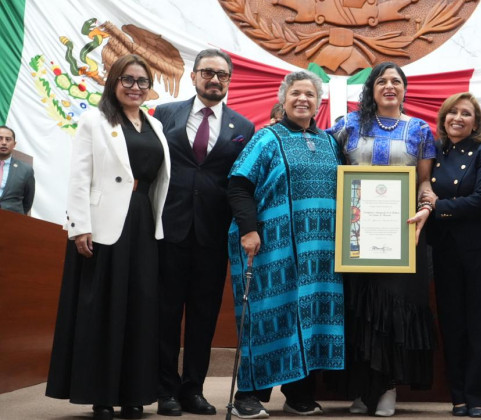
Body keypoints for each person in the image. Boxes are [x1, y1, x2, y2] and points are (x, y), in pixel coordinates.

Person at [46, 54, 170, 420]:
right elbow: (78, 177)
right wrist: (79, 226)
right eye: (128, 80)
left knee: (140, 308)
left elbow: (159, 179)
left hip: (143, 222)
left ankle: (134, 395)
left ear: (150, 89)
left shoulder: (155, 125)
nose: (135, 87)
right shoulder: (94, 120)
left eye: (142, 81)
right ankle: (101, 395)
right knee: (102, 309)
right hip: (101, 226)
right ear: (114, 82)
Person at [226, 70, 344, 419]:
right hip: (269, 249)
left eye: (309, 94)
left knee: (309, 318)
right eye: (296, 93)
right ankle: (250, 394)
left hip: (319, 254)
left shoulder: (329, 142)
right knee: (266, 317)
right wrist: (249, 230)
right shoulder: (266, 139)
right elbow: (238, 185)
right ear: (283, 98)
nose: (302, 99)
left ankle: (298, 394)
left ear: (319, 102)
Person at [328, 61, 437, 417]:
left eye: (396, 81)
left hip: (402, 235)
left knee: (392, 313)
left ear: (404, 89)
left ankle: (388, 389)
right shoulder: (345, 126)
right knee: (359, 309)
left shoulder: (420, 130)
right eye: (382, 81)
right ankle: (361, 390)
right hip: (354, 234)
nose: (389, 86)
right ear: (371, 89)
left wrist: (426, 205)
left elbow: (424, 182)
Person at [154, 49, 255, 416]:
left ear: (229, 81)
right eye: (208, 73)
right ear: (194, 76)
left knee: (203, 316)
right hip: (168, 228)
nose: (215, 80)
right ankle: (164, 389)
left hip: (213, 235)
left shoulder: (243, 128)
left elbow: (240, 182)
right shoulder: (165, 114)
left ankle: (192, 389)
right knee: (165, 314)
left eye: (222, 75)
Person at [420, 92, 481, 418]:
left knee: (479, 325)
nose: (457, 118)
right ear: (442, 119)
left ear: (475, 122)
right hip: (444, 248)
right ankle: (458, 395)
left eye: (465, 114)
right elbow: (421, 187)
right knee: (452, 323)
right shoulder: (433, 152)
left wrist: (437, 207)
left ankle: (478, 396)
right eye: (452, 112)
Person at [0, 125, 35, 215]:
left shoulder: (26, 170)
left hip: (12, 221)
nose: (3, 142)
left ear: (14, 144)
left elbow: (27, 202)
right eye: (0, 138)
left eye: (8, 139)